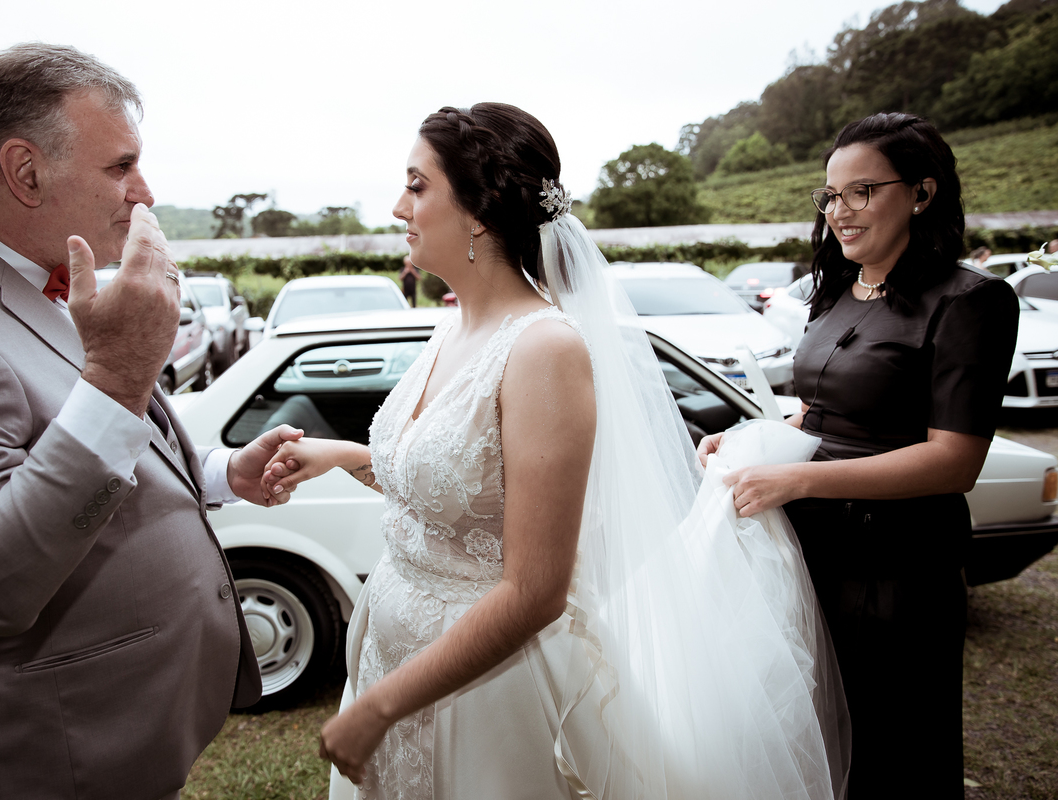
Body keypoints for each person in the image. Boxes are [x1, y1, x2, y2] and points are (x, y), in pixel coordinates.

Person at [263, 103, 849, 800]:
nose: (398, 207)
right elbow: (453, 495)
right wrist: (339, 455)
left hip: (480, 693)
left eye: (417, 186)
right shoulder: (451, 329)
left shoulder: (545, 348)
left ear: (477, 210)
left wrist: (384, 705)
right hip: (391, 647)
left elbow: (535, 590)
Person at [0, 43, 301, 799]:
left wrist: (222, 474)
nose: (144, 191)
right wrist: (121, 372)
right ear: (25, 170)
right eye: (120, 165)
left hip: (128, 732)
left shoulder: (53, 277)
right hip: (55, 756)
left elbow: (88, 447)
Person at [699, 112, 1019, 799]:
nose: (839, 212)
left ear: (922, 193)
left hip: (896, 567)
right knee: (816, 740)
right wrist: (755, 435)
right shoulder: (837, 293)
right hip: (813, 549)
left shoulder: (971, 301)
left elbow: (954, 462)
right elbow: (823, 410)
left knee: (891, 751)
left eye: (862, 192)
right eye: (830, 196)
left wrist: (796, 479)